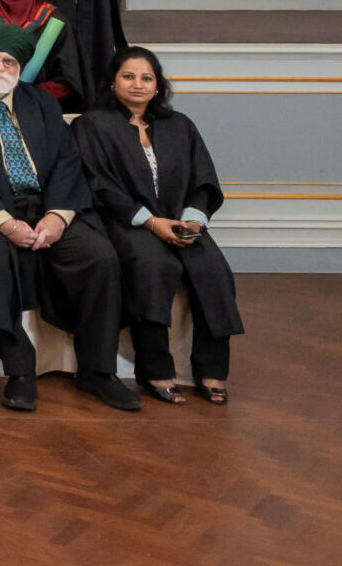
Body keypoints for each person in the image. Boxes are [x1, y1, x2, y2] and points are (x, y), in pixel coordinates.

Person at [0, 21, 138, 412]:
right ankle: (20, 370)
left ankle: (97, 371)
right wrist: (4, 222)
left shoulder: (39, 101)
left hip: (45, 206)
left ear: (20, 66)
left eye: (9, 61)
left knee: (98, 255)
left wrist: (58, 217)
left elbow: (65, 161)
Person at [71, 46, 241, 405]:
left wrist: (193, 219)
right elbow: (97, 183)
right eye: (128, 76)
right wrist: (149, 221)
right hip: (127, 222)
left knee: (214, 270)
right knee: (153, 266)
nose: (137, 85)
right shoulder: (93, 125)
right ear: (113, 81)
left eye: (146, 78)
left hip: (180, 220)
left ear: (158, 85)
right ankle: (155, 369)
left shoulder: (179, 125)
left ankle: (213, 369)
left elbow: (203, 178)